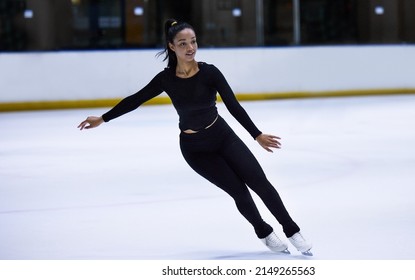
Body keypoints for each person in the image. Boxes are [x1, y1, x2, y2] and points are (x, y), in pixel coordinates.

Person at [78, 19, 312, 256]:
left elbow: (233, 106)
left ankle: (293, 231)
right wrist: (103, 118)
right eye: (183, 43)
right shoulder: (165, 79)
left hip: (222, 136)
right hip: (195, 150)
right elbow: (135, 99)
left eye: (193, 41)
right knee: (239, 192)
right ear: (172, 46)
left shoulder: (210, 72)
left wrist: (257, 135)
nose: (190, 47)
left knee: (260, 182)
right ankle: (263, 232)